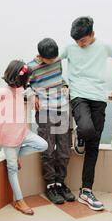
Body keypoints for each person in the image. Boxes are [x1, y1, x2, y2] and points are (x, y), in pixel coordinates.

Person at [61, 16, 112, 211]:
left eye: (83, 40)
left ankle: (86, 190)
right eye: (77, 41)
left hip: (99, 98)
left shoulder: (104, 46)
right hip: (79, 96)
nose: (80, 44)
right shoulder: (69, 47)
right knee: (87, 129)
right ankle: (80, 137)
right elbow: (52, 61)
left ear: (92, 35)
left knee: (94, 145)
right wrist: (64, 82)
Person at [0, 60, 48, 215]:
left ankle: (16, 156)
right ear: (19, 78)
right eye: (27, 78)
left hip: (22, 133)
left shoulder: (22, 91)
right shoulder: (1, 92)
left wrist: (34, 97)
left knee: (43, 145)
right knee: (12, 169)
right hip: (8, 138)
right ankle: (19, 200)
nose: (29, 80)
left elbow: (30, 90)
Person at [27, 38, 74, 204]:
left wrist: (65, 84)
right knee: (48, 150)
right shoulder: (30, 67)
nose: (53, 61)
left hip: (62, 108)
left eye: (55, 58)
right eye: (50, 59)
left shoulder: (58, 60)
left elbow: (59, 78)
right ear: (40, 55)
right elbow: (25, 85)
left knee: (64, 150)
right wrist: (32, 95)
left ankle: (61, 183)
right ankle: (50, 185)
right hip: (45, 111)